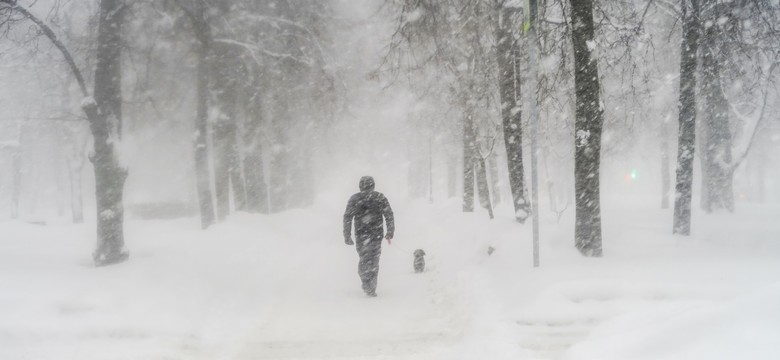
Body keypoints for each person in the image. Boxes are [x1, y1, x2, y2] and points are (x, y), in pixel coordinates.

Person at [343, 176, 394, 297]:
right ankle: (371, 285)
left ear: (360, 186)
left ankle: (366, 280)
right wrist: (390, 231)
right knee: (374, 260)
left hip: (361, 234)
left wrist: (347, 235)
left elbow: (347, 217)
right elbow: (389, 214)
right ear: (373, 185)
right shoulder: (379, 197)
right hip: (376, 234)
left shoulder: (355, 199)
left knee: (364, 258)